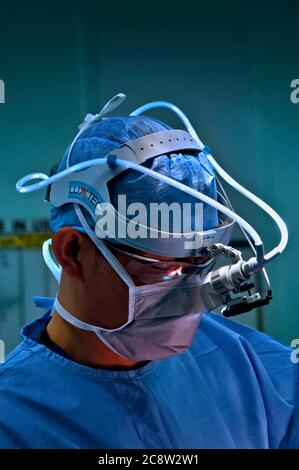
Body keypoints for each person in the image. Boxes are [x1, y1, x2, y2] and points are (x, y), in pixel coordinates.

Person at [0, 110, 298, 449]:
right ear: (73, 252)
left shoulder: (249, 366)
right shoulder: (14, 419)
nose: (189, 293)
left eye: (199, 262)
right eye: (160, 266)